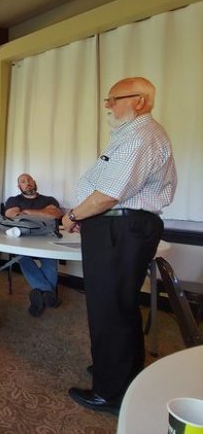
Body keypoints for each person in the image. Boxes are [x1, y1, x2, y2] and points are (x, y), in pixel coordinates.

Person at [62, 77, 176, 414]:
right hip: (116, 225)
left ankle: (110, 393)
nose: (107, 105)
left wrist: (72, 214)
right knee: (115, 307)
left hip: (120, 225)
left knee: (110, 309)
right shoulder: (131, 135)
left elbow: (109, 194)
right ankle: (119, 375)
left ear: (139, 101)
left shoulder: (141, 135)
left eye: (114, 98)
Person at [4, 173, 64, 317]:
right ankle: (47, 292)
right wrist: (42, 214)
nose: (28, 183)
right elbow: (12, 215)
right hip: (22, 241)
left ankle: (40, 293)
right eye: (23, 181)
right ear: (19, 187)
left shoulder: (49, 199)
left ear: (34, 182)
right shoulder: (13, 200)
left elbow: (55, 214)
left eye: (29, 180)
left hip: (47, 240)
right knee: (21, 256)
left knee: (50, 257)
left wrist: (25, 211)